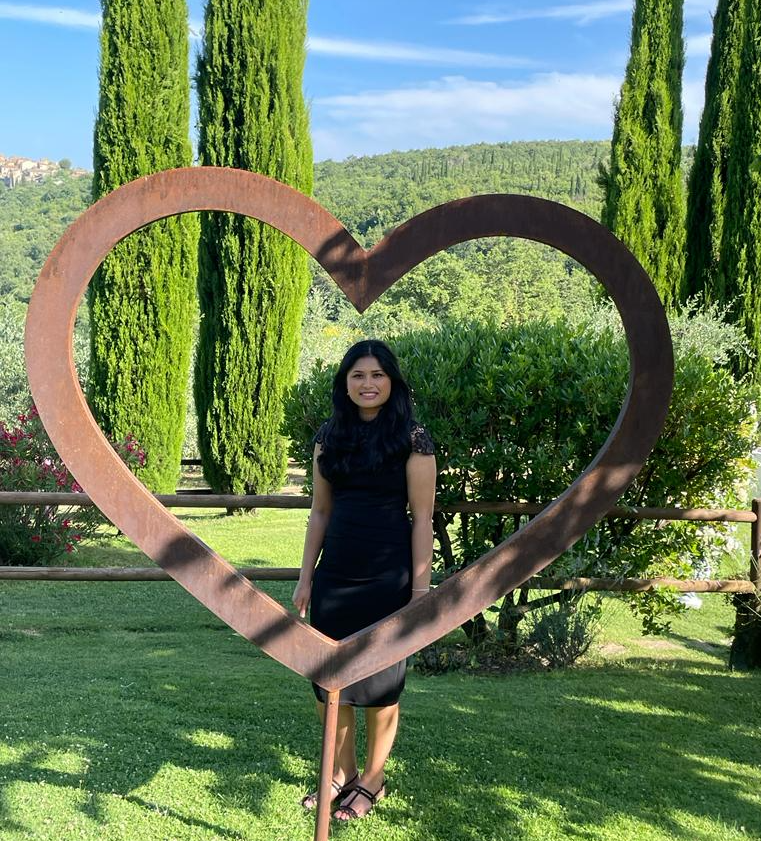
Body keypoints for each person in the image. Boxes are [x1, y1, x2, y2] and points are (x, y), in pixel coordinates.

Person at [292, 339, 436, 821]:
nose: (368, 384)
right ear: (345, 383)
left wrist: (420, 591)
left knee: (381, 687)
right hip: (335, 575)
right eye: (358, 375)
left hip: (388, 577)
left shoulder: (413, 438)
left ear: (391, 381)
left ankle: (373, 780)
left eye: (377, 375)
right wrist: (306, 578)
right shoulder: (328, 436)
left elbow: (423, 519)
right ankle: (341, 773)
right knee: (327, 683)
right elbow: (319, 512)